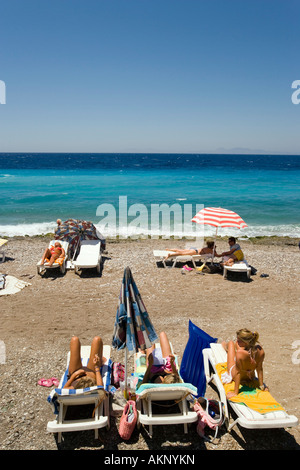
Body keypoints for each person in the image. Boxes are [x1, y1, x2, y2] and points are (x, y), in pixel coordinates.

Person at [221, 328, 268, 399]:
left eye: (239, 340)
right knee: (238, 349)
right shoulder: (260, 350)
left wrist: (235, 393)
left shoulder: (240, 353)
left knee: (231, 343)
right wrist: (262, 387)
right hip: (250, 377)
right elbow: (259, 369)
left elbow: (237, 372)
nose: (237, 341)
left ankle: (225, 346)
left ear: (245, 342)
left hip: (235, 375)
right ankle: (233, 348)